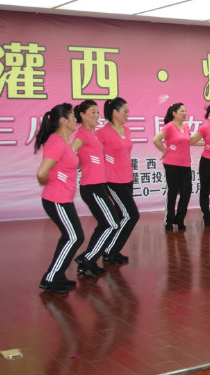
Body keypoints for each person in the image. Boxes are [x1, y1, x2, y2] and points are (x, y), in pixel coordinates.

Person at [34, 103, 85, 294]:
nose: (75, 120)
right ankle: (51, 278)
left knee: (69, 236)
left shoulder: (63, 142)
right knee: (75, 236)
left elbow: (65, 165)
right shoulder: (56, 142)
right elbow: (42, 173)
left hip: (62, 198)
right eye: (73, 116)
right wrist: (52, 183)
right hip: (57, 199)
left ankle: (59, 274)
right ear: (63, 121)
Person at [71, 100, 118, 277]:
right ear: (82, 115)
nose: (97, 115)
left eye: (98, 112)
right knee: (112, 223)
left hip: (98, 185)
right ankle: (87, 258)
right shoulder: (82, 134)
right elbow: (69, 152)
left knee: (105, 224)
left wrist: (82, 163)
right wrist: (77, 163)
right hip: (92, 187)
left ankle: (86, 261)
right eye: (92, 112)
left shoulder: (92, 134)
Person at [96, 97, 138, 264]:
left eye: (128, 111)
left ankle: (112, 250)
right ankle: (109, 251)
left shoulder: (126, 130)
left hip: (127, 177)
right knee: (132, 215)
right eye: (124, 111)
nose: (127, 114)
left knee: (122, 215)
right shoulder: (102, 133)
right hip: (112, 180)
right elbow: (94, 154)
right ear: (114, 112)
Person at [153, 102, 194, 231]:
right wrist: (164, 151)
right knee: (173, 192)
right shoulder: (169, 126)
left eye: (185, 111)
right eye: (182, 111)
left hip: (185, 164)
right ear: (174, 113)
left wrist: (208, 143)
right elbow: (156, 139)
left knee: (186, 192)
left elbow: (189, 141)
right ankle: (169, 221)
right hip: (171, 164)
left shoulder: (186, 126)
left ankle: (180, 219)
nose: (184, 113)